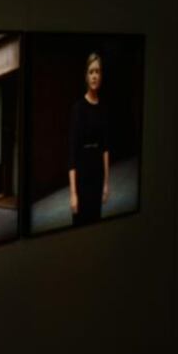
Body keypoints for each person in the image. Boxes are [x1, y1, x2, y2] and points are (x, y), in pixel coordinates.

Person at [68, 52, 110, 226]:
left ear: (101, 76)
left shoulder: (103, 109)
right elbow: (72, 153)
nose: (94, 76)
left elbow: (105, 148)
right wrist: (73, 193)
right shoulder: (78, 109)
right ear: (86, 76)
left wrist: (106, 184)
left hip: (97, 177)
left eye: (97, 72)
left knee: (96, 224)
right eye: (91, 72)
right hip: (82, 179)